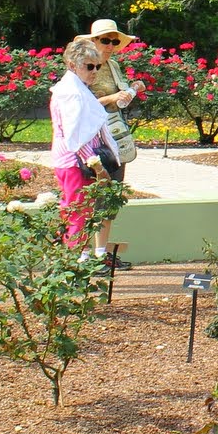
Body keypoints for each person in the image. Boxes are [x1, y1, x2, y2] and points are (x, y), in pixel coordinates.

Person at [74, 19, 145, 270]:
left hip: (114, 135)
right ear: (93, 41)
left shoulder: (113, 66)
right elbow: (81, 103)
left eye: (115, 41)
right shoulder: (84, 67)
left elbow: (120, 97)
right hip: (91, 140)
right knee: (90, 195)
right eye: (105, 40)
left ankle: (100, 253)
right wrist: (112, 98)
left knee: (110, 196)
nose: (111, 45)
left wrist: (131, 90)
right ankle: (83, 255)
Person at [49, 39, 118, 253]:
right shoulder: (72, 93)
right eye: (89, 66)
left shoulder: (75, 88)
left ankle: (79, 259)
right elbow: (76, 136)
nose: (94, 71)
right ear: (72, 65)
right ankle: (76, 262)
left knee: (78, 211)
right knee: (78, 213)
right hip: (75, 162)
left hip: (71, 161)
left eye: (97, 66)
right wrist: (98, 167)